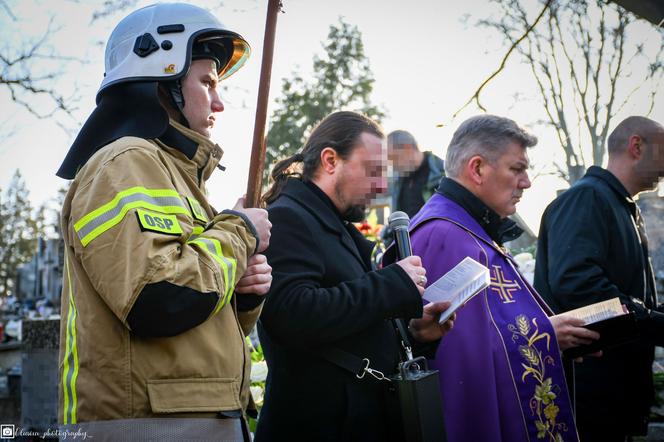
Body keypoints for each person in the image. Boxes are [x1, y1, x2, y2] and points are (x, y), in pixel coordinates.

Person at [55, 4, 271, 441]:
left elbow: (197, 327)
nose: (219, 101)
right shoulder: (125, 162)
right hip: (150, 427)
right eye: (207, 82)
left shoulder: (173, 176)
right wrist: (239, 231)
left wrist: (242, 296)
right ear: (165, 78)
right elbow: (158, 298)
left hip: (192, 420)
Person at [254, 111, 454, 441]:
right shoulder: (287, 217)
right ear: (330, 160)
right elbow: (292, 313)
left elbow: (356, 324)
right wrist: (393, 283)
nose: (380, 185)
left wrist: (416, 332)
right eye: (372, 171)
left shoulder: (335, 225)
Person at [407, 115, 599, 442]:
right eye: (517, 169)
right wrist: (546, 334)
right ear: (478, 168)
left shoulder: (470, 230)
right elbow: (459, 363)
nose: (526, 182)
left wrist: (556, 335)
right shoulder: (444, 235)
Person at [534, 116, 664, 442]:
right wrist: (652, 323)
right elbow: (577, 283)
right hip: (591, 392)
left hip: (618, 392)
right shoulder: (588, 198)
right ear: (637, 146)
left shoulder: (621, 205)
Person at [387, 130, 445, 217]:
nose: (391, 164)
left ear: (408, 148)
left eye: (393, 158)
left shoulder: (443, 172)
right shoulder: (399, 179)